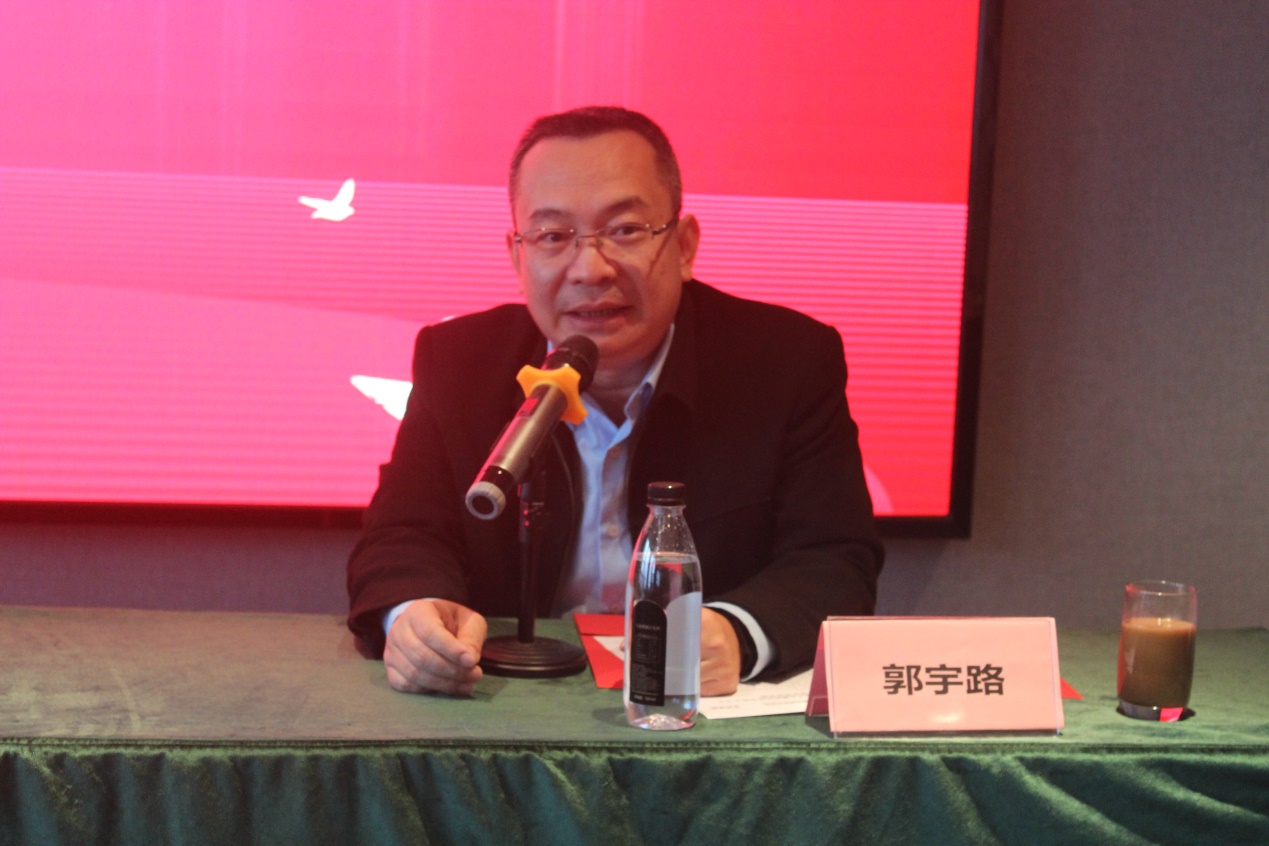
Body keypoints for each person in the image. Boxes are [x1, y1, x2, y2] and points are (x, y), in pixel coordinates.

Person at [346, 106, 883, 697]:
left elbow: (834, 557)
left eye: (624, 230)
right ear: (517, 256)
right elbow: (403, 534)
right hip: (506, 698)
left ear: (684, 245)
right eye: (553, 237)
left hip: (693, 713)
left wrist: (736, 634)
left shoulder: (786, 361)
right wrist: (414, 614)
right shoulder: (456, 362)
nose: (589, 269)